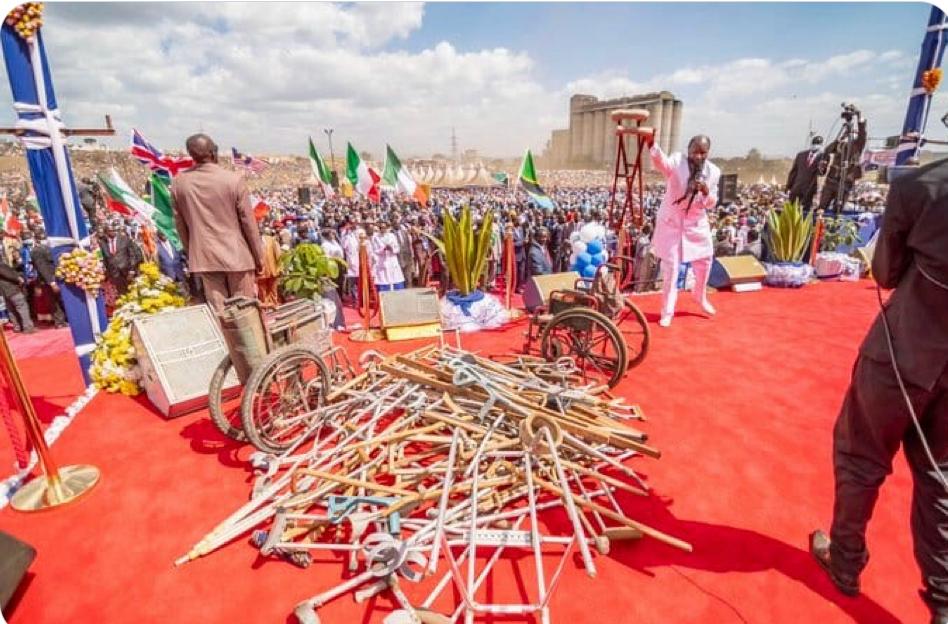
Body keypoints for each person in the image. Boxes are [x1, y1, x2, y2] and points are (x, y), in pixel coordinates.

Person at [810, 157, 948, 624]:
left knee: (860, 456)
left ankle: (845, 563)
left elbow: (886, 272)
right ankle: (943, 605)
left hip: (903, 353)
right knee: (941, 481)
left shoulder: (920, 186)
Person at [171, 134, 264, 312]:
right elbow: (248, 224)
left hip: (204, 257)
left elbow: (181, 226)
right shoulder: (233, 179)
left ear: (191, 155)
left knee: (220, 313)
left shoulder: (179, 183)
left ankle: (226, 340)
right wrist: (259, 258)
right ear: (214, 153)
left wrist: (193, 255)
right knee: (245, 313)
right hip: (237, 255)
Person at [645, 131, 721, 327]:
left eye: (703, 153)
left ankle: (700, 296)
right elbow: (662, 163)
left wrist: (705, 191)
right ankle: (667, 311)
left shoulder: (714, 172)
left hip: (696, 223)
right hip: (672, 222)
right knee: (672, 267)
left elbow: (712, 202)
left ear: (708, 153)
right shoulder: (677, 161)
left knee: (705, 260)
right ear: (688, 150)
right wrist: (652, 144)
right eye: (695, 151)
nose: (698, 156)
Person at [818, 109, 868, 215]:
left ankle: (834, 227)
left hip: (846, 182)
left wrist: (859, 117)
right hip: (831, 180)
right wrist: (824, 163)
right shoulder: (839, 144)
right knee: (821, 207)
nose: (849, 134)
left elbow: (862, 134)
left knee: (838, 208)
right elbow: (827, 150)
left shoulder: (858, 145)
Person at [30, 230, 67, 328]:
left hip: (56, 277)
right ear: (37, 239)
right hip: (48, 280)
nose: (44, 239)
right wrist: (52, 282)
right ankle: (59, 322)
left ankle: (63, 320)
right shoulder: (36, 251)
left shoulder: (48, 247)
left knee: (59, 300)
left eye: (44, 237)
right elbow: (42, 268)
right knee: (53, 302)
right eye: (41, 238)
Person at [99, 220, 143, 297]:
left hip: (128, 271)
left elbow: (132, 255)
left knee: (134, 293)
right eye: (110, 230)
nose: (113, 232)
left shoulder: (125, 239)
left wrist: (132, 270)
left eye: (114, 230)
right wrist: (108, 273)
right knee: (123, 295)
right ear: (106, 231)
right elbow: (105, 259)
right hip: (115, 274)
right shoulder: (103, 243)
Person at [786, 136, 825, 213]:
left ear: (821, 145)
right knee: (791, 210)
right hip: (797, 187)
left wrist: (822, 166)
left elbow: (822, 173)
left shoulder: (823, 156)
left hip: (810, 189)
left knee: (805, 211)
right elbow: (794, 171)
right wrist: (788, 186)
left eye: (818, 144)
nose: (815, 145)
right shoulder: (801, 155)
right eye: (814, 143)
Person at [0, 251, 34, 333]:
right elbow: (8, 274)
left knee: (11, 310)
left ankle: (17, 327)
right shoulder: (1, 265)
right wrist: (19, 278)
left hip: (4, 292)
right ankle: (28, 327)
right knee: (22, 307)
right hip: (12, 289)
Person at [370, 221, 405, 291]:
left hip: (392, 260)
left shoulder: (392, 236)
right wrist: (383, 249)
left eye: (384, 228)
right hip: (382, 261)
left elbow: (397, 248)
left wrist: (392, 249)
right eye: (381, 228)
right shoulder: (375, 237)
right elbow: (374, 250)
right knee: (383, 280)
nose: (383, 229)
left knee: (395, 278)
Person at [155, 229, 188, 296]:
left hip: (180, 271)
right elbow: (157, 262)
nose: (163, 236)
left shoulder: (174, 243)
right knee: (174, 294)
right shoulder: (156, 246)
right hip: (168, 275)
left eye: (164, 234)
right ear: (158, 236)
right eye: (161, 235)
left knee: (185, 292)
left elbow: (182, 256)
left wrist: (185, 267)